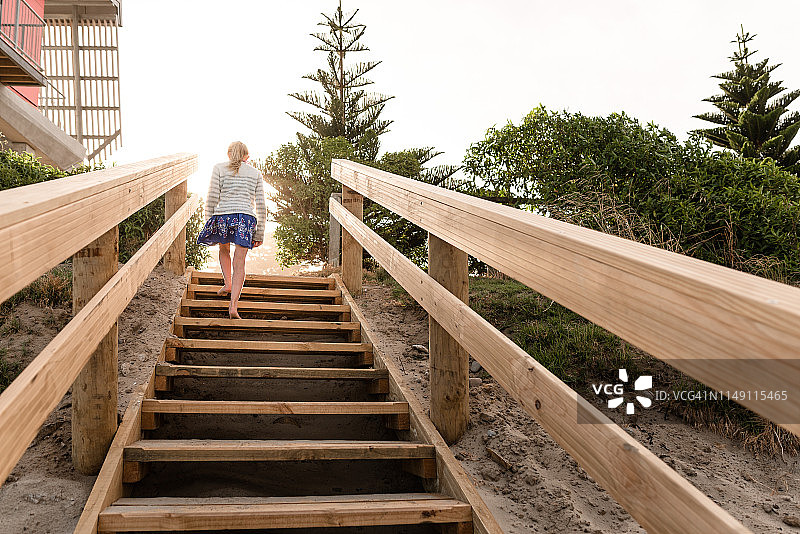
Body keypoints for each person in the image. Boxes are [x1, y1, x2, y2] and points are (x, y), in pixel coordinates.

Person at [196, 141, 267, 319]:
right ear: (246, 156)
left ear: (228, 155)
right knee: (240, 262)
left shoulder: (218, 168)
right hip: (245, 218)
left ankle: (227, 283)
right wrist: (260, 232)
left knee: (224, 248)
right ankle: (233, 306)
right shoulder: (255, 173)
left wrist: (208, 222)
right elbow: (261, 206)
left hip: (223, 217)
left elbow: (212, 196)